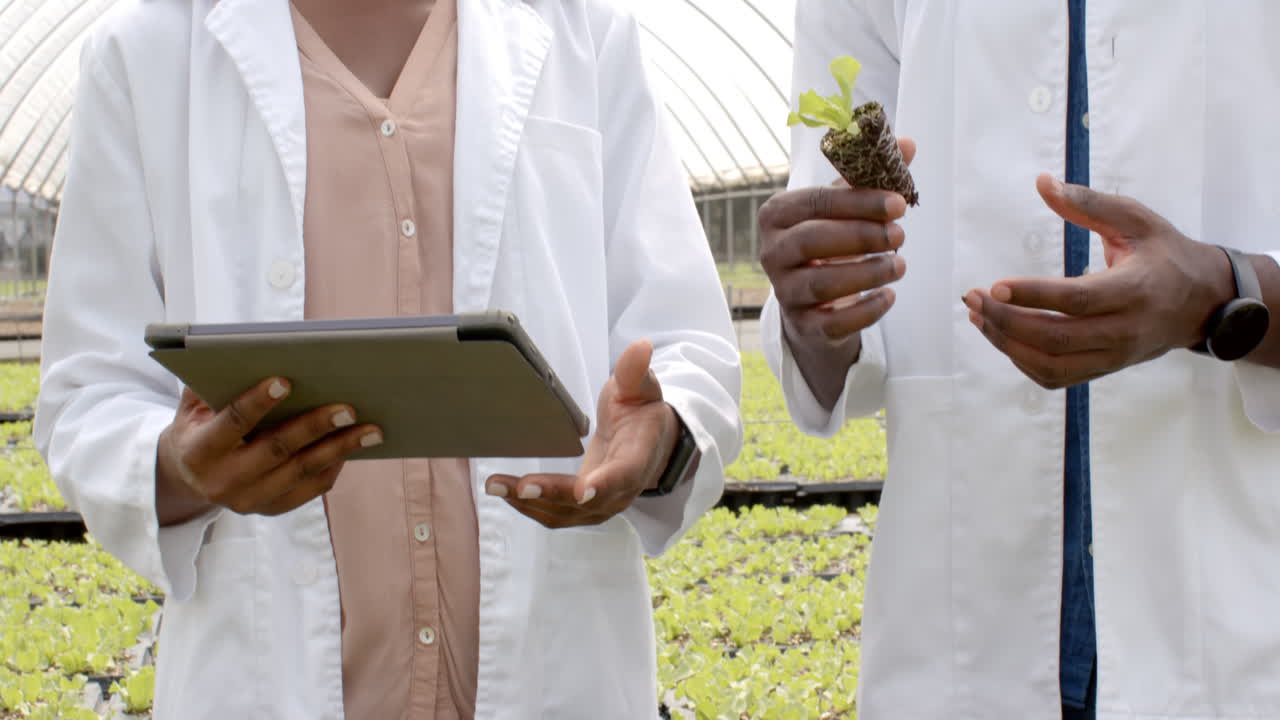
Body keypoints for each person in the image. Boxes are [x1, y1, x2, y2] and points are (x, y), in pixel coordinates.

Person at [33, 0, 743, 718]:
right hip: (265, 678)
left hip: (555, 670)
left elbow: (686, 342)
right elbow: (89, 390)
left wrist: (662, 438)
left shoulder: (583, 32)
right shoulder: (147, 49)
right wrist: (182, 469)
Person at [759, 1, 1280, 718]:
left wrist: (1229, 293)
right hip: (958, 637)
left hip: (1241, 623)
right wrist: (816, 309)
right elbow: (838, 308)